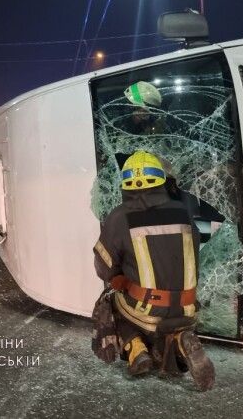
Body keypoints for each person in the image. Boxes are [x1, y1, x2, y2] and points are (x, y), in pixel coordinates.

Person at [92, 150, 215, 391]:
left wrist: (118, 277)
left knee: (112, 301)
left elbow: (103, 266)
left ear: (125, 183)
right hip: (187, 305)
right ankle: (180, 340)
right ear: (161, 179)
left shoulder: (119, 217)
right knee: (163, 313)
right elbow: (202, 242)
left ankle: (135, 347)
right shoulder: (187, 209)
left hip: (147, 310)